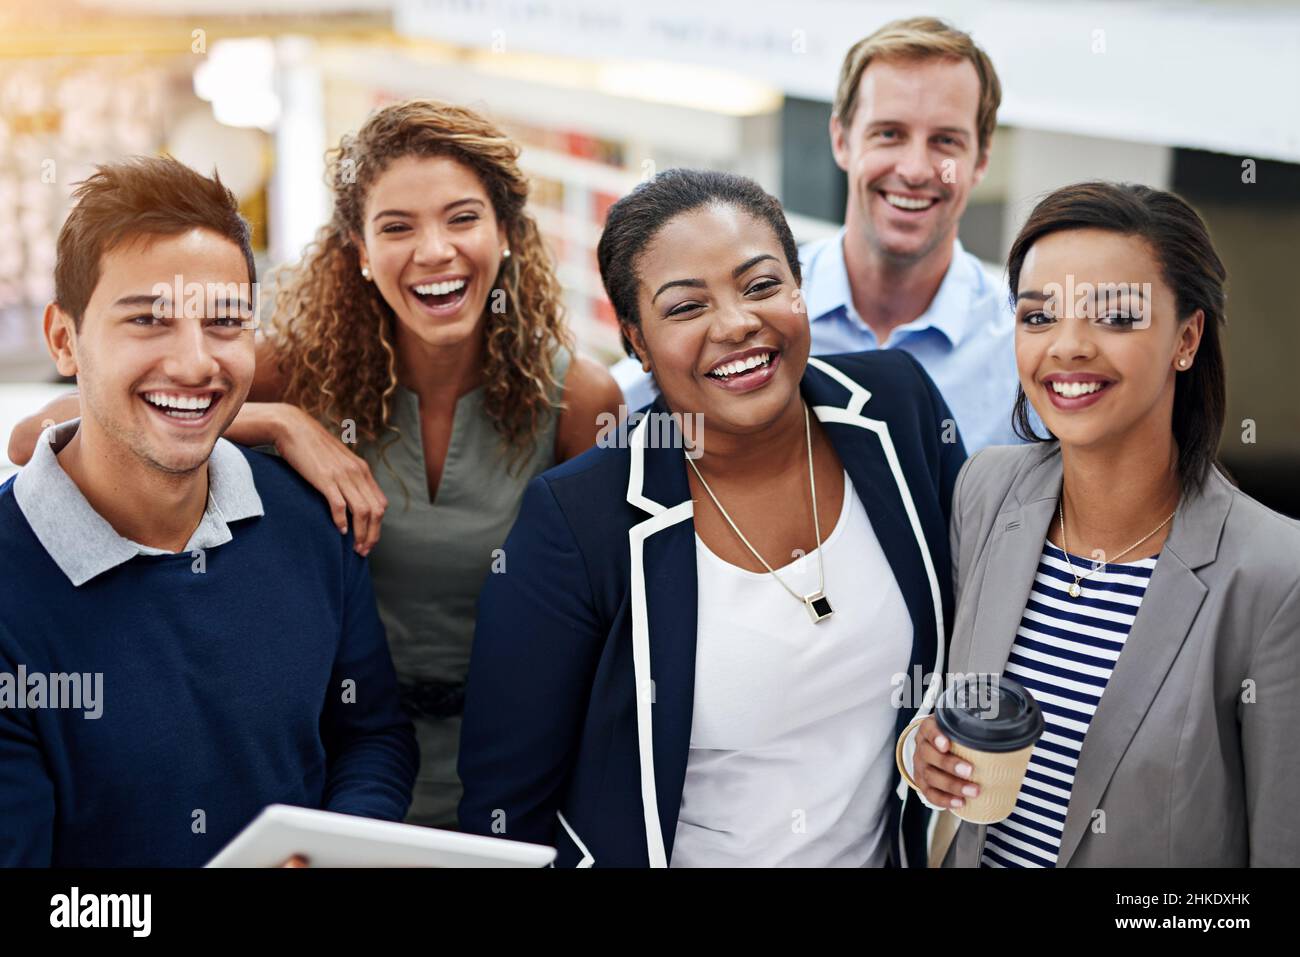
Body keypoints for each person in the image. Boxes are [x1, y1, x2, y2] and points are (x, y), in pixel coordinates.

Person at [8, 100, 623, 829]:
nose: (433, 250)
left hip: (513, 753)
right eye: (396, 226)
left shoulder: (579, 396)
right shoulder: (291, 373)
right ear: (358, 249)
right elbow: (47, 434)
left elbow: (606, 614)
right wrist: (277, 418)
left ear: (507, 234)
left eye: (462, 218)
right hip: (347, 752)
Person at [458, 169, 965, 867]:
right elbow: (504, 814)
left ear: (799, 289)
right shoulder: (576, 522)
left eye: (761, 285)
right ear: (636, 339)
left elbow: (967, 629)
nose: (736, 324)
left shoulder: (899, 406)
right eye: (687, 307)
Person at [0, 156, 417, 867]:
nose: (195, 363)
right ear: (65, 339)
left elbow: (371, 736)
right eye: (148, 320)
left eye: (225, 321)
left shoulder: (308, 518)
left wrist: (334, 851)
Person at [905, 182, 1300, 867]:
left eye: (1115, 317)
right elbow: (953, 696)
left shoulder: (1274, 574)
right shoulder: (987, 489)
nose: (1067, 347)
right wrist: (923, 750)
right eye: (1037, 317)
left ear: (1187, 337)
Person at [612, 16, 1029, 452]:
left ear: (981, 160)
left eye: (946, 142)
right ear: (841, 139)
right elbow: (614, 405)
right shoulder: (759, 307)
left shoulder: (1018, 350)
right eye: (889, 134)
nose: (914, 169)